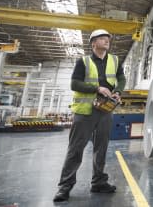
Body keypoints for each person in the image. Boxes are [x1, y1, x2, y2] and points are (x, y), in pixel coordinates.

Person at [53, 29, 126, 202]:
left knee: (101, 148)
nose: (106, 41)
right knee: (76, 149)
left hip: (105, 110)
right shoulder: (83, 61)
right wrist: (97, 89)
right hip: (85, 112)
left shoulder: (114, 60)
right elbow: (74, 83)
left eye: (108, 38)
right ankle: (65, 186)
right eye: (102, 38)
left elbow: (121, 78)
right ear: (93, 43)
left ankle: (98, 182)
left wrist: (118, 91)